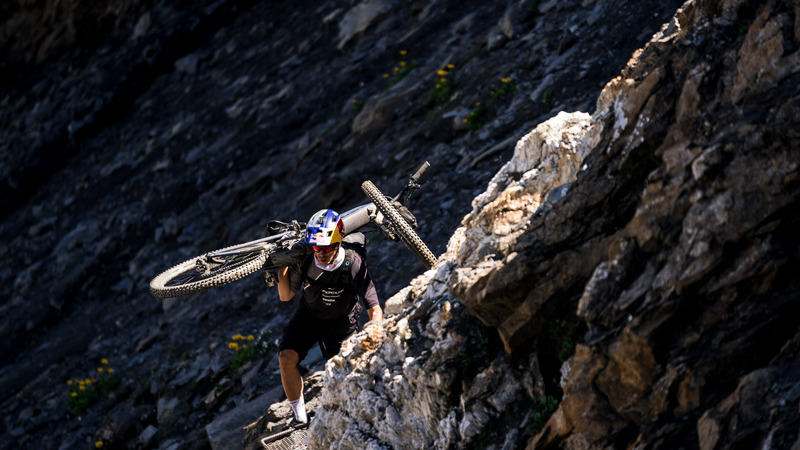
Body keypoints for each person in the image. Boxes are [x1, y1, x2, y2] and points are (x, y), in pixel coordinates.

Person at [275, 209, 382, 424]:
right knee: (286, 358)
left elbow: (374, 307)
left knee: (345, 375)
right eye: (317, 247)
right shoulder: (306, 260)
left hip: (342, 323)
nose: (322, 253)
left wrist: (375, 333)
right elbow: (285, 295)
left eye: (327, 247)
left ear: (338, 242)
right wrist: (282, 264)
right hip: (308, 318)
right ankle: (299, 419)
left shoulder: (352, 263)